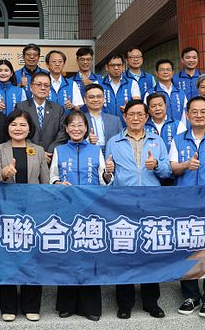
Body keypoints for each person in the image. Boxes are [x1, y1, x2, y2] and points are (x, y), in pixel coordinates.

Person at [106, 99, 171, 320]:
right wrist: (107, 172)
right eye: (131, 114)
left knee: (150, 252)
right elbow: (108, 177)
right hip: (123, 204)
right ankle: (124, 304)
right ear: (124, 117)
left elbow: (167, 172)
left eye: (140, 114)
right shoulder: (114, 142)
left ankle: (151, 303)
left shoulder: (157, 140)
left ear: (146, 117)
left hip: (151, 203)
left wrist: (157, 166)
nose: (135, 118)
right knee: (124, 251)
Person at [50, 110, 113, 322]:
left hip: (91, 211)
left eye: (80, 125)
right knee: (67, 256)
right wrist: (58, 183)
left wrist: (108, 173)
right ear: (66, 129)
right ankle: (66, 305)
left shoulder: (96, 151)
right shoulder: (59, 150)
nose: (76, 129)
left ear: (86, 129)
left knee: (90, 256)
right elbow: (52, 178)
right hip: (66, 211)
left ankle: (91, 307)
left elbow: (105, 181)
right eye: (72, 125)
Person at [0, 109, 49, 322]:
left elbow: (45, 183)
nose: (18, 128)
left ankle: (31, 305)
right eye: (14, 124)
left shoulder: (38, 150)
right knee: (8, 258)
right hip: (6, 213)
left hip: (33, 213)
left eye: (23, 125)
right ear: (8, 127)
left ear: (29, 128)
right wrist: (5, 173)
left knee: (32, 259)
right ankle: (8, 306)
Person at [169, 96, 205, 317]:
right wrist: (186, 165)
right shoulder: (178, 139)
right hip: (185, 202)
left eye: (203, 111)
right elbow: (172, 168)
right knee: (188, 246)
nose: (199, 115)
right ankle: (191, 296)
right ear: (187, 114)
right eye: (195, 111)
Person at [15, 72, 68, 164]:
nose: (43, 88)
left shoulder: (58, 109)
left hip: (51, 157)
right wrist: (38, 152)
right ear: (31, 87)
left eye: (46, 85)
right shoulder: (21, 107)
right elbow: (19, 131)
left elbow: (63, 133)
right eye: (39, 84)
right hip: (28, 156)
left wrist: (50, 151)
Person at [83, 84, 123, 154]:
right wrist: (87, 141)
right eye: (91, 97)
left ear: (104, 99)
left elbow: (122, 142)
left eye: (99, 96)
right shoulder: (80, 120)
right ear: (85, 100)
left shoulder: (115, 120)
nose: (96, 100)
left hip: (112, 155)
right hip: (88, 155)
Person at [101, 54, 141, 124]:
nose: (116, 68)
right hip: (105, 125)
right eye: (112, 65)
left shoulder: (132, 83)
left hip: (126, 124)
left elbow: (137, 104)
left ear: (123, 67)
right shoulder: (99, 84)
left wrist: (129, 108)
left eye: (119, 65)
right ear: (107, 67)